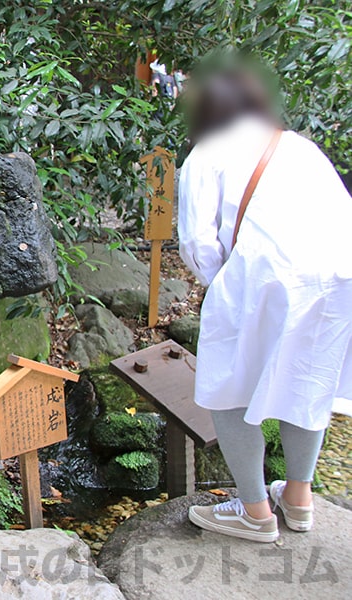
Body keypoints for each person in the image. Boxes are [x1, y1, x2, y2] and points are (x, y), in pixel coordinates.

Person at [177, 60, 352, 542]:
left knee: (228, 387)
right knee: (307, 379)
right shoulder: (301, 147)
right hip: (339, 276)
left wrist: (225, 288)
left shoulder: (207, 154)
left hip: (265, 273)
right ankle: (298, 499)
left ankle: (254, 511)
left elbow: (198, 245)